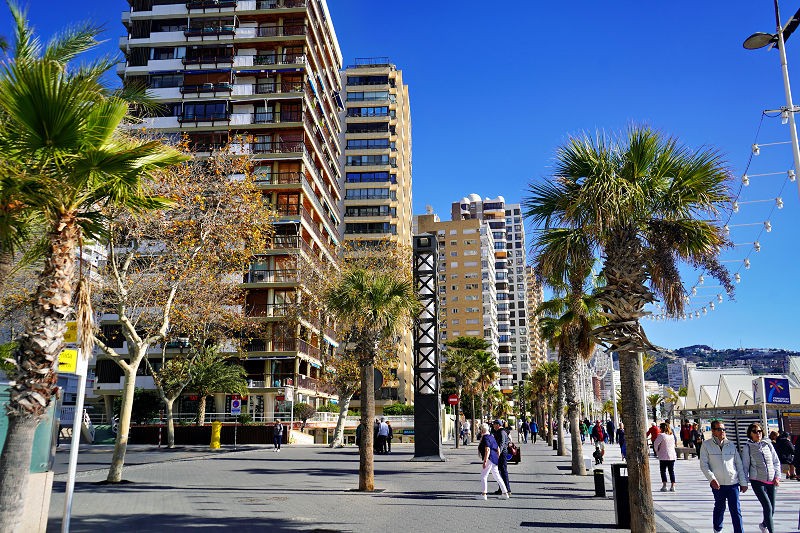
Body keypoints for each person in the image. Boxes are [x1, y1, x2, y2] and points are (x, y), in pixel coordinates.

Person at [699, 420, 747, 533]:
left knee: (736, 510)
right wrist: (712, 479)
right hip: (718, 484)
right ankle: (717, 529)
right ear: (713, 431)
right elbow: (704, 465)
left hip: (733, 483)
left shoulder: (731, 445)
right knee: (720, 507)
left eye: (724, 429)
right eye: (719, 429)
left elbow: (738, 464)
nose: (722, 431)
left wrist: (743, 482)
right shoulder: (706, 445)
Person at [741, 422, 781, 533]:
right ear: (750, 434)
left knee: (772, 509)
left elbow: (776, 461)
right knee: (767, 507)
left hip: (771, 480)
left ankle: (763, 525)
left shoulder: (768, 444)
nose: (757, 433)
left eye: (759, 431)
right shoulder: (747, 447)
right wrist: (744, 483)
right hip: (757, 480)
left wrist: (777, 477)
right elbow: (745, 466)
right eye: (754, 431)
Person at [476, 422, 509, 500]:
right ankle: (505, 493)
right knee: (497, 476)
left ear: (482, 430)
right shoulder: (491, 437)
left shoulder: (485, 438)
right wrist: (497, 457)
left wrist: (485, 461)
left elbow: (487, 449)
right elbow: (497, 448)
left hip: (489, 458)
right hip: (494, 459)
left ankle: (484, 494)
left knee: (484, 476)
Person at [654, 422, 677, 492]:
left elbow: (655, 443)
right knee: (671, 471)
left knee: (663, 471)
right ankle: (673, 486)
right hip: (672, 455)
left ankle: (664, 485)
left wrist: (657, 451)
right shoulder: (671, 435)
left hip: (663, 455)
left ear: (661, 428)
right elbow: (673, 444)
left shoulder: (661, 435)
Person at [491, 419, 511, 496]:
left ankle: (507, 489)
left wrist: (498, 452)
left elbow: (502, 443)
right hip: (500, 453)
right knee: (500, 471)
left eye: (494, 424)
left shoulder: (502, 432)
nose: (493, 425)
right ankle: (502, 489)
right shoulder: (499, 431)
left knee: (503, 471)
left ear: (498, 425)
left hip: (502, 453)